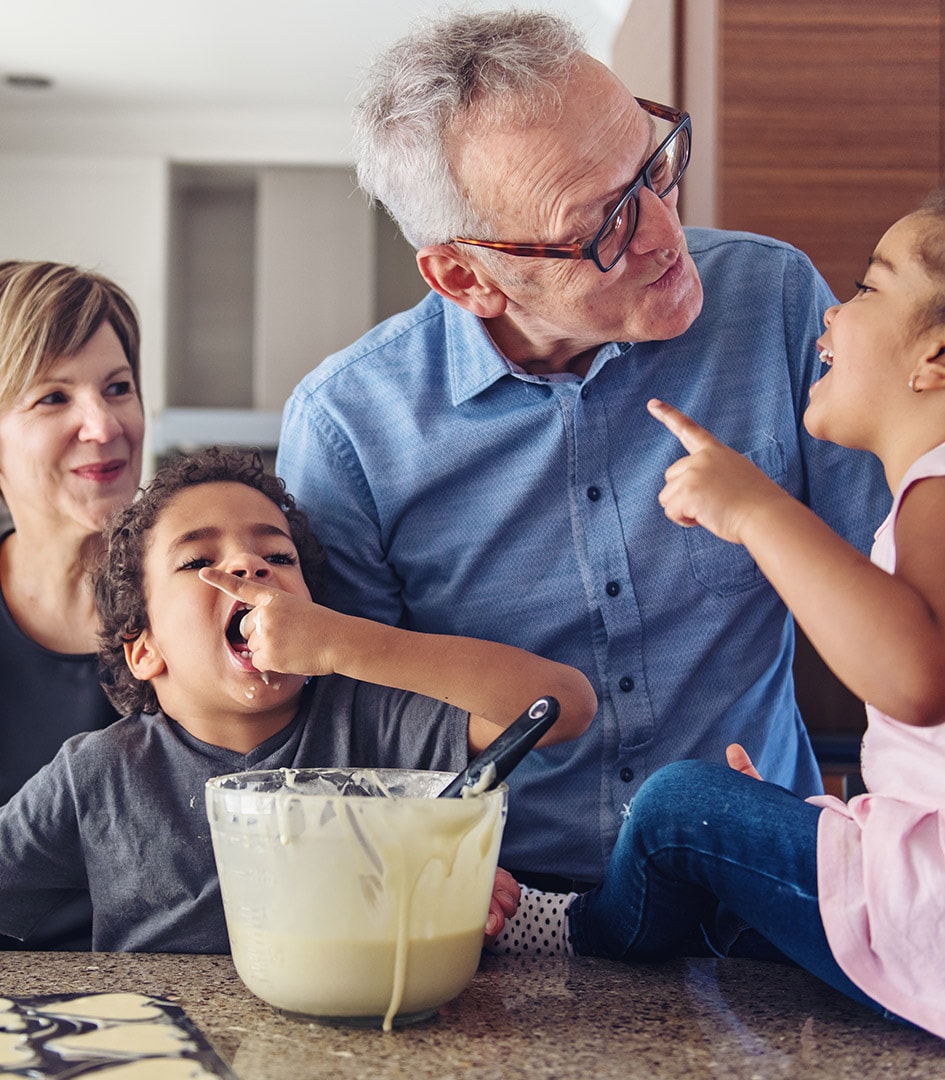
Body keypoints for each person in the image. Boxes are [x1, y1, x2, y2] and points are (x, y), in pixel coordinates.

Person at [275, 9, 888, 888]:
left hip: (764, 876)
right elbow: (356, 719)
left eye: (653, 169)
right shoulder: (348, 430)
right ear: (466, 276)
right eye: (599, 227)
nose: (662, 233)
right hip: (498, 911)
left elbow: (897, 588)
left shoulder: (774, 300)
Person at [490, 191, 945, 1039]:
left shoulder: (938, 489)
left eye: (866, 288)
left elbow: (917, 680)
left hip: (926, 913)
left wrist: (756, 512)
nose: (831, 314)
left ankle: (567, 930)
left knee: (679, 807)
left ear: (936, 356)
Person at [0, 447, 594, 953]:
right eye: (199, 561)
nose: (248, 565)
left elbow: (565, 704)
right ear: (144, 650)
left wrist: (346, 641)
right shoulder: (95, 776)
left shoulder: (372, 723)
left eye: (278, 557)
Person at [0, 259, 144, 949]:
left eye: (118, 388)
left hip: (170, 991)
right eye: (53, 398)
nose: (103, 424)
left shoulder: (203, 604)